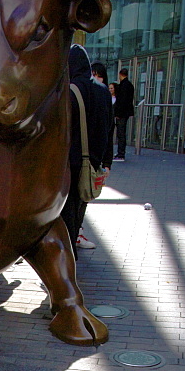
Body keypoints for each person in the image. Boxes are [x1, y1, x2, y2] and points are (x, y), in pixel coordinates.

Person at [61, 45, 112, 258]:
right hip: (94, 160)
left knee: (67, 209)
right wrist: (106, 161)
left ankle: (68, 253)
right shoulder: (103, 91)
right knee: (83, 201)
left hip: (70, 161)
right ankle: (74, 240)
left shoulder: (69, 91)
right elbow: (110, 128)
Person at [113, 68, 134, 161]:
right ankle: (121, 152)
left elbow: (122, 101)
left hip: (122, 113)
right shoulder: (129, 85)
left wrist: (118, 113)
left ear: (120, 74)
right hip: (126, 112)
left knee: (121, 133)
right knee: (121, 133)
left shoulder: (123, 86)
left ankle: (121, 153)